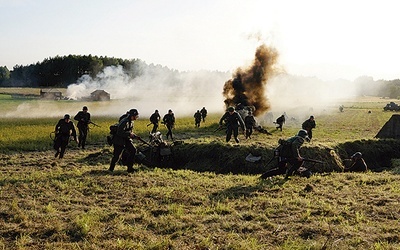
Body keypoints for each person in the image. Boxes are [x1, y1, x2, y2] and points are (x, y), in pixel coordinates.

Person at [109, 109, 141, 173]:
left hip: (126, 139)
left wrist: (134, 136)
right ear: (132, 116)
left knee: (133, 150)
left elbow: (129, 131)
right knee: (117, 156)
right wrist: (129, 134)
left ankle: (130, 168)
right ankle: (111, 169)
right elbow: (119, 132)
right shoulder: (124, 121)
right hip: (119, 140)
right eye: (135, 116)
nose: (136, 118)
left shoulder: (131, 122)